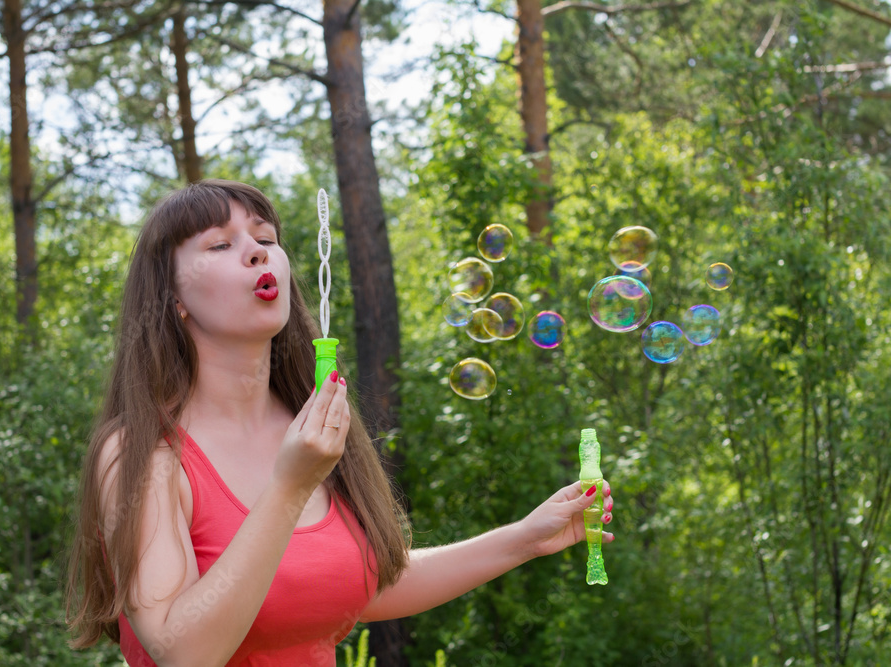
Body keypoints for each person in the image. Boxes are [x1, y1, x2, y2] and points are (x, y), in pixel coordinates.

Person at [65, 179, 615, 666]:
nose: (257, 253)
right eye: (221, 244)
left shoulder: (310, 426)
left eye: (266, 238)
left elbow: (356, 584)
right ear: (174, 297)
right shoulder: (145, 454)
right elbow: (183, 652)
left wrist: (524, 538)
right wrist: (290, 485)